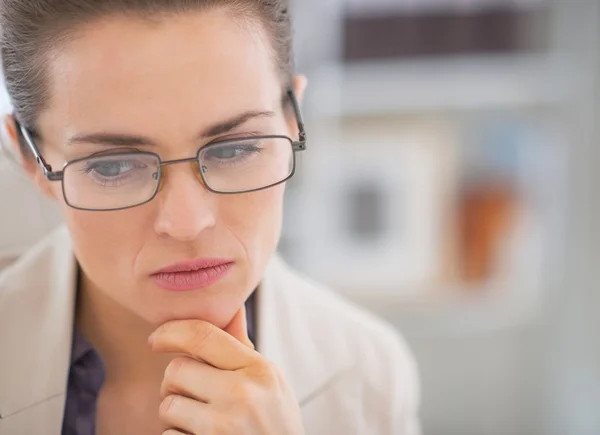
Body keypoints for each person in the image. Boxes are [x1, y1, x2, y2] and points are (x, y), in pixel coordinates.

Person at [0, 1, 420, 434]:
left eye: (233, 149)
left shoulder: (370, 379)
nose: (187, 224)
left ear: (294, 122)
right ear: (30, 159)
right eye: (113, 166)